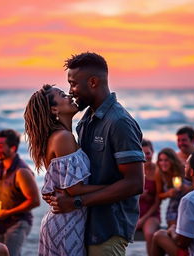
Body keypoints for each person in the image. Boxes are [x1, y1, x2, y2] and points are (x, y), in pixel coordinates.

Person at [46, 52, 145, 256]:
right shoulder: (86, 120)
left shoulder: (119, 123)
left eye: (73, 84)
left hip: (108, 229)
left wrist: (75, 201)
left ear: (92, 82)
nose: (71, 92)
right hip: (85, 226)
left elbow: (135, 183)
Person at [24, 84, 110, 256]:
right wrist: (116, 186)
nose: (69, 96)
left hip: (66, 220)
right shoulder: (63, 137)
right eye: (62, 95)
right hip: (65, 223)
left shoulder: (61, 136)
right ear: (54, 110)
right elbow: (74, 189)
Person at [0, 129, 40, 256]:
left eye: (0, 146)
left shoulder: (22, 172)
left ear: (13, 148)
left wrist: (8, 213)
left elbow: (35, 201)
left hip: (19, 222)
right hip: (1, 221)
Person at [151, 149, 194, 256]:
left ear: (191, 172)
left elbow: (182, 243)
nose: (184, 166)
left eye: (186, 164)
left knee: (159, 235)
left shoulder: (191, 200)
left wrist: (172, 231)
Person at [155, 148, 191, 227]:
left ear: (172, 160)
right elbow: (159, 194)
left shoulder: (183, 168)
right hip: (174, 204)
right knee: (173, 228)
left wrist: (187, 189)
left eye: (166, 160)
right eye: (161, 160)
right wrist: (168, 194)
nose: (163, 163)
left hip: (189, 203)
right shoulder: (159, 173)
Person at [137, 139, 160, 256]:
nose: (145, 156)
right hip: (134, 212)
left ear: (153, 152)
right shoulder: (134, 170)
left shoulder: (158, 171)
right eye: (142, 153)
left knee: (150, 233)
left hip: (151, 213)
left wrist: (142, 220)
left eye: (148, 153)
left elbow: (157, 202)